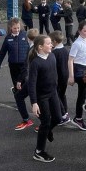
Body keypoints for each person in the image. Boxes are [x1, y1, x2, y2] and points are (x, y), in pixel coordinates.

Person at [27, 34, 62, 162]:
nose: (51, 45)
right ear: (40, 47)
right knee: (45, 122)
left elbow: (54, 74)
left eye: (51, 43)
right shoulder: (36, 63)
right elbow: (31, 84)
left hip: (53, 93)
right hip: (42, 97)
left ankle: (46, 131)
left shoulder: (52, 56)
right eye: (48, 43)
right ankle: (39, 152)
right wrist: (34, 103)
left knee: (58, 118)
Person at [0, 18, 32, 129]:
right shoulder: (8, 39)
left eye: (18, 28)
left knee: (25, 83)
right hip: (13, 65)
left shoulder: (25, 36)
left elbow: (31, 49)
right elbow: (2, 53)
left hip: (24, 65)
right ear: (10, 28)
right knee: (16, 84)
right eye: (14, 28)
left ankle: (23, 98)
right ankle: (18, 99)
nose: (17, 30)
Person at [68, 21, 86, 129]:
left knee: (82, 95)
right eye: (85, 31)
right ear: (79, 31)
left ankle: (78, 118)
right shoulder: (76, 44)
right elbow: (70, 60)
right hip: (78, 70)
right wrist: (71, 76)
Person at [50, 29, 71, 123]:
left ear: (55, 41)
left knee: (56, 96)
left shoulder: (55, 53)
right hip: (65, 76)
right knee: (62, 94)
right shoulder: (65, 50)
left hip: (58, 77)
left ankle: (62, 114)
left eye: (51, 41)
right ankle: (65, 111)